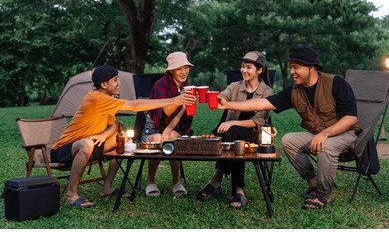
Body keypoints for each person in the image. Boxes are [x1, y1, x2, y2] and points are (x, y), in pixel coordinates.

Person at [217, 46, 361, 210]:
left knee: (325, 145)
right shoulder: (294, 91)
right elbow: (263, 103)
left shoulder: (335, 83)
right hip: (317, 134)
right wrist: (228, 104)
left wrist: (325, 133)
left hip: (344, 134)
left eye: (296, 67)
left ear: (311, 67)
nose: (292, 71)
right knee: (289, 140)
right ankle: (313, 184)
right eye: (291, 67)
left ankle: (323, 194)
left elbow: (350, 118)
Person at [50, 65, 196, 208]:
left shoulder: (106, 99)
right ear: (104, 84)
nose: (119, 83)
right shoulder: (97, 98)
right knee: (86, 144)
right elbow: (134, 105)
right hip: (63, 150)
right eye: (115, 80)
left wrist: (104, 135)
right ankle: (71, 194)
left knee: (120, 139)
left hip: (91, 143)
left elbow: (113, 126)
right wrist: (174, 100)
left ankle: (107, 188)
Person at [197, 51, 273, 209]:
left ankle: (216, 180)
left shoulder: (267, 92)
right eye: (242, 67)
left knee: (235, 134)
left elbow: (259, 120)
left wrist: (233, 124)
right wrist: (213, 99)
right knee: (235, 138)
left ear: (259, 70)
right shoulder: (234, 86)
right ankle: (238, 190)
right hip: (230, 136)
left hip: (253, 136)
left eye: (248, 67)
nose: (243, 70)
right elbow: (222, 97)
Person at [141, 52, 194, 197]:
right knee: (159, 138)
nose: (184, 72)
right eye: (179, 69)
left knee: (172, 138)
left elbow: (180, 115)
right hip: (152, 129)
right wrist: (181, 99)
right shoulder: (161, 85)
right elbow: (167, 111)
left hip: (173, 128)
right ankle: (150, 181)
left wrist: (169, 129)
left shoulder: (186, 87)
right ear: (171, 70)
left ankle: (176, 182)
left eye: (186, 68)